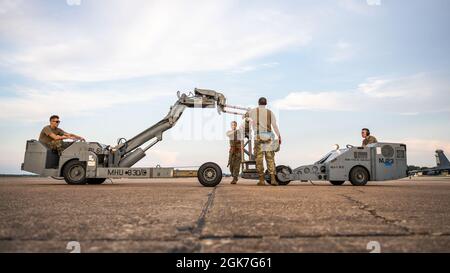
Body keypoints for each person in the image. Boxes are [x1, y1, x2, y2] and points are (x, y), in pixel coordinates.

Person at [246, 97, 281, 186]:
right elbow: (274, 125)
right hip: (269, 136)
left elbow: (245, 118)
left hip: (258, 137)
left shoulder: (253, 111)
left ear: (258, 103)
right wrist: (279, 136)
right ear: (266, 103)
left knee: (259, 159)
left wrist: (248, 116)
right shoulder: (270, 113)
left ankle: (261, 180)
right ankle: (273, 179)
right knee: (270, 159)